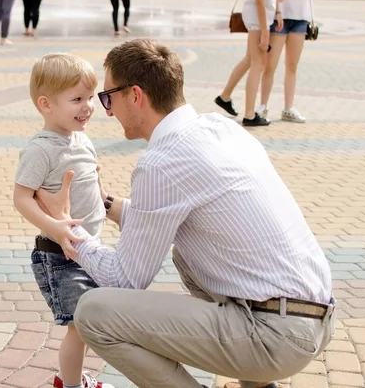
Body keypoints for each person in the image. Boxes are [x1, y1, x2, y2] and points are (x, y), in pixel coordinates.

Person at [34, 39, 335, 388]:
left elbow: (125, 279)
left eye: (108, 97)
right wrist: (105, 203)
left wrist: (67, 229)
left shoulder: (162, 162)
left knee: (93, 313)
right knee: (189, 257)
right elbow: (159, 218)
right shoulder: (221, 128)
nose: (107, 111)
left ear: (135, 96)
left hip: (276, 335)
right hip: (313, 317)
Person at [13, 53, 114, 388]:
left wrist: (103, 198)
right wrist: (54, 226)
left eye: (90, 97)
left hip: (88, 249)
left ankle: (72, 379)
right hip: (59, 254)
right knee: (79, 326)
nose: (88, 107)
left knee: (87, 325)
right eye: (77, 99)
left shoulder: (81, 139)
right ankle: (71, 385)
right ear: (46, 104)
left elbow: (92, 185)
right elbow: (22, 197)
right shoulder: (41, 150)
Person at [215, 0, 282, 126]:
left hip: (258, 17)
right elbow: (259, 0)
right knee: (257, 64)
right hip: (258, 18)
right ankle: (249, 115)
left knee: (250, 59)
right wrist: (264, 32)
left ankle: (225, 97)